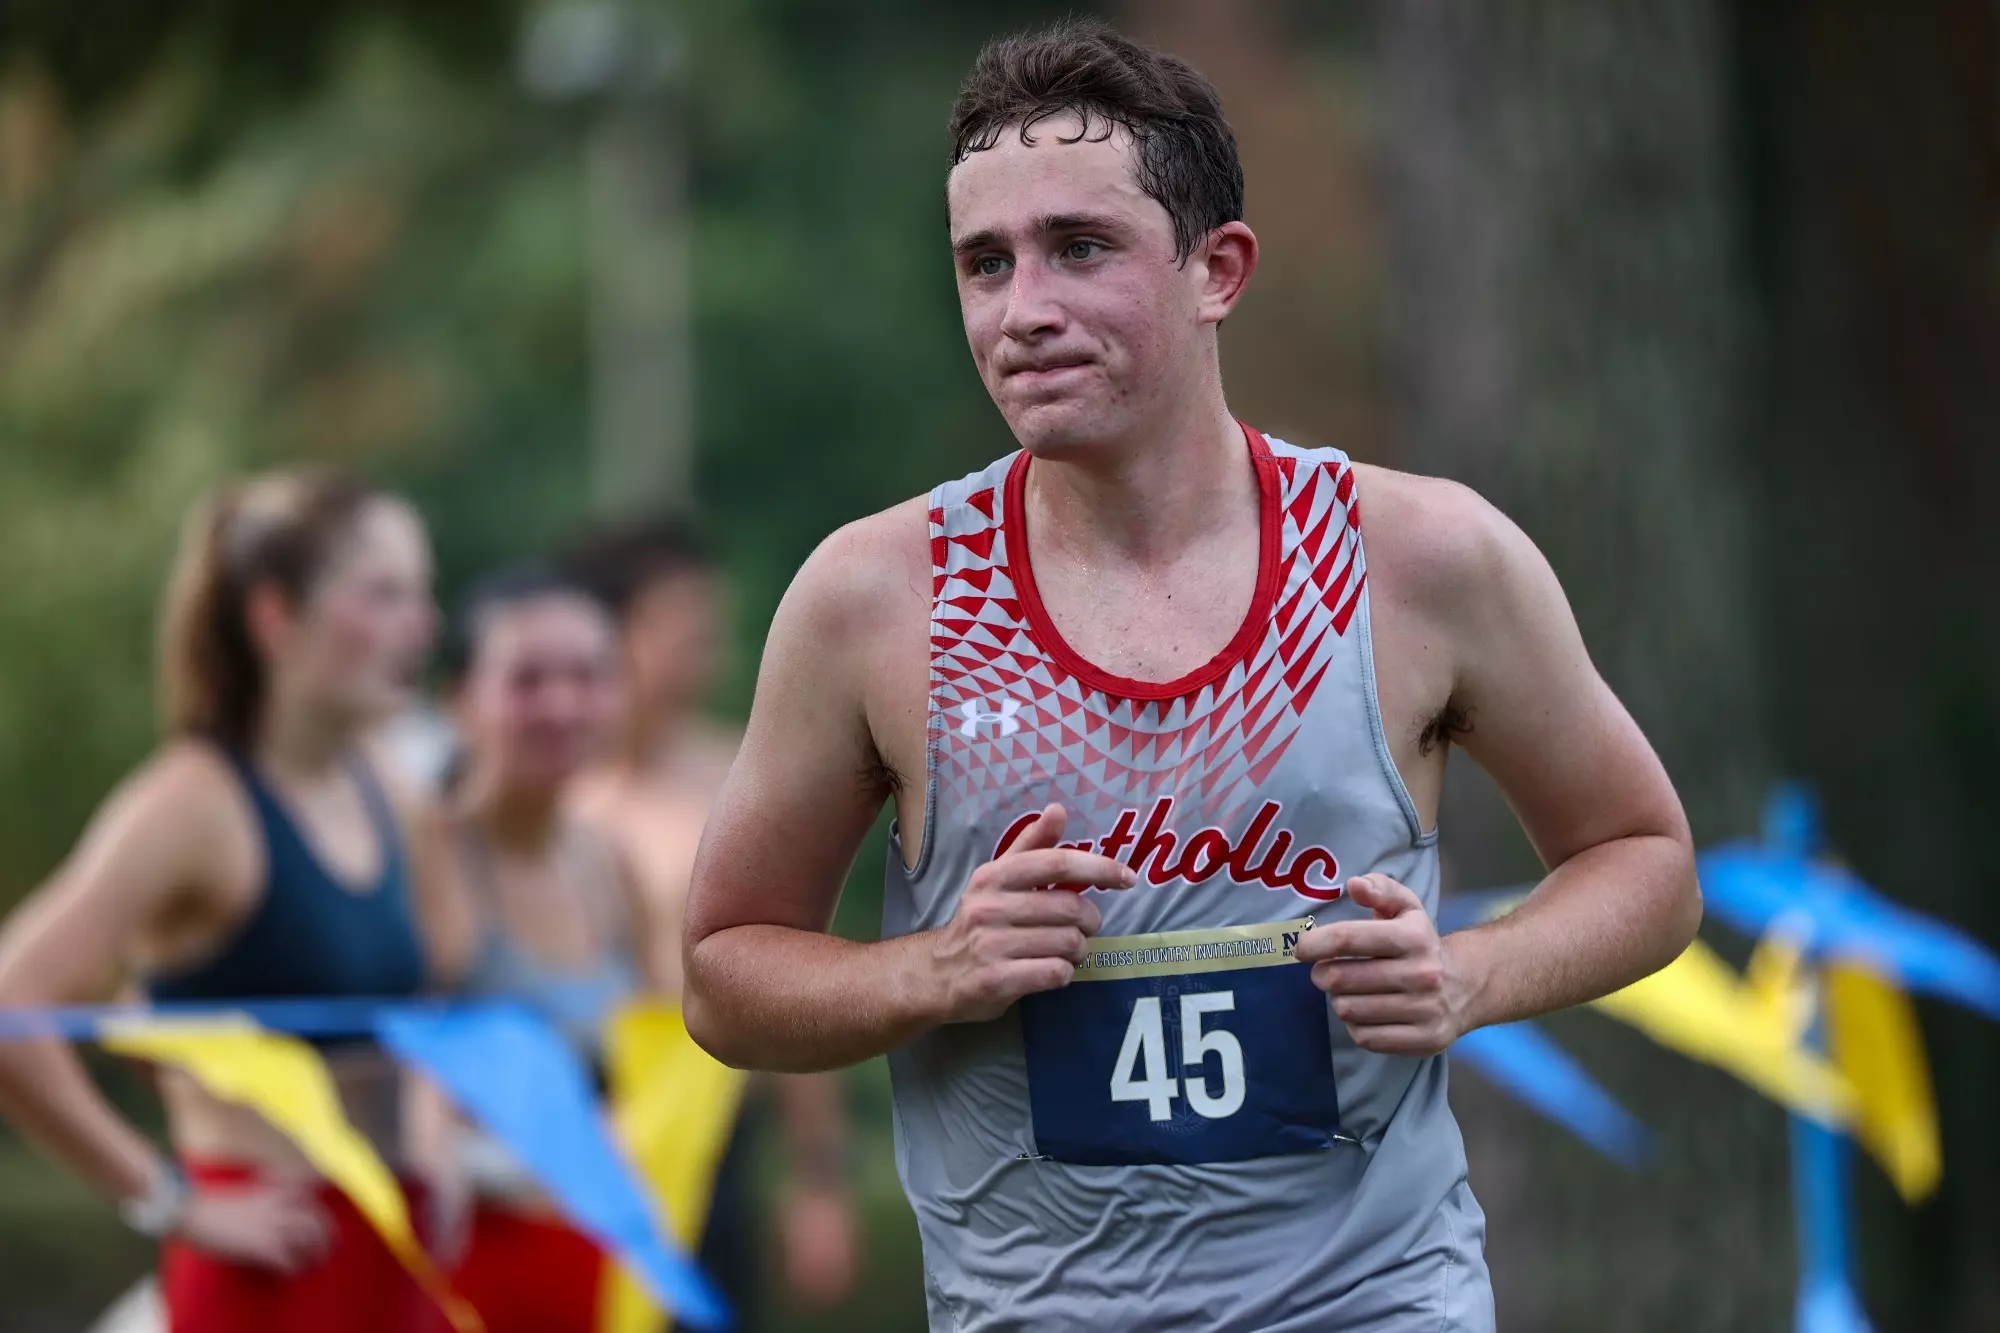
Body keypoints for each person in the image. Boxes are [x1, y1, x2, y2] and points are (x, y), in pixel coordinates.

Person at [680, 20, 1701, 1333]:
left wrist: (1466, 977)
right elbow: (722, 974)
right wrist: (936, 968)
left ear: (1218, 269)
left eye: (1080, 248)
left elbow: (1648, 861)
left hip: (1374, 1303)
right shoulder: (875, 599)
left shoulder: (1422, 557)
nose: (1023, 310)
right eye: (984, 264)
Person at [0, 470, 445, 1333]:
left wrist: (431, 1139)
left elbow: (427, 1007)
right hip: (269, 1266)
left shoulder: (388, 788)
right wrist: (167, 1198)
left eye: (420, 594)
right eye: (384, 594)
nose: (420, 625)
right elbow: (11, 1006)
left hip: (393, 1252)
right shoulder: (192, 805)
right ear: (275, 618)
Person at [564, 522, 858, 1323]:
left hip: (712, 1136)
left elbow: (796, 968)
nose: (708, 643)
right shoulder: (545, 793)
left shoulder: (735, 774)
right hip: (565, 1136)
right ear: (612, 629)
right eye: (683, 620)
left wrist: (816, 1180)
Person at [413, 567, 665, 1333]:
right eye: (527, 679)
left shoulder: (610, 864)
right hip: (449, 1267)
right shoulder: (423, 849)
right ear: (460, 700)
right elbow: (392, 1064)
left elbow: (654, 1066)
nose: (562, 705)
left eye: (589, 676)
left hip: (588, 1260)